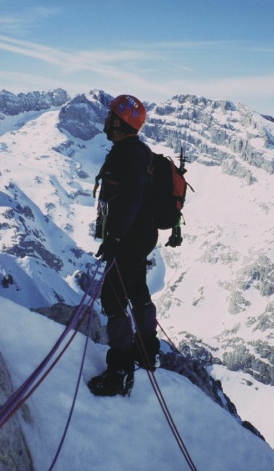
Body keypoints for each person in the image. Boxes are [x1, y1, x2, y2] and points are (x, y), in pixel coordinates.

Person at [88, 94, 160, 397]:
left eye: (111, 116)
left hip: (129, 236)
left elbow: (129, 198)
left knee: (113, 297)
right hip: (140, 234)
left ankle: (119, 372)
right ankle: (147, 353)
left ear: (121, 122)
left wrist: (115, 237)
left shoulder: (127, 154)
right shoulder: (137, 152)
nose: (106, 120)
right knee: (137, 290)